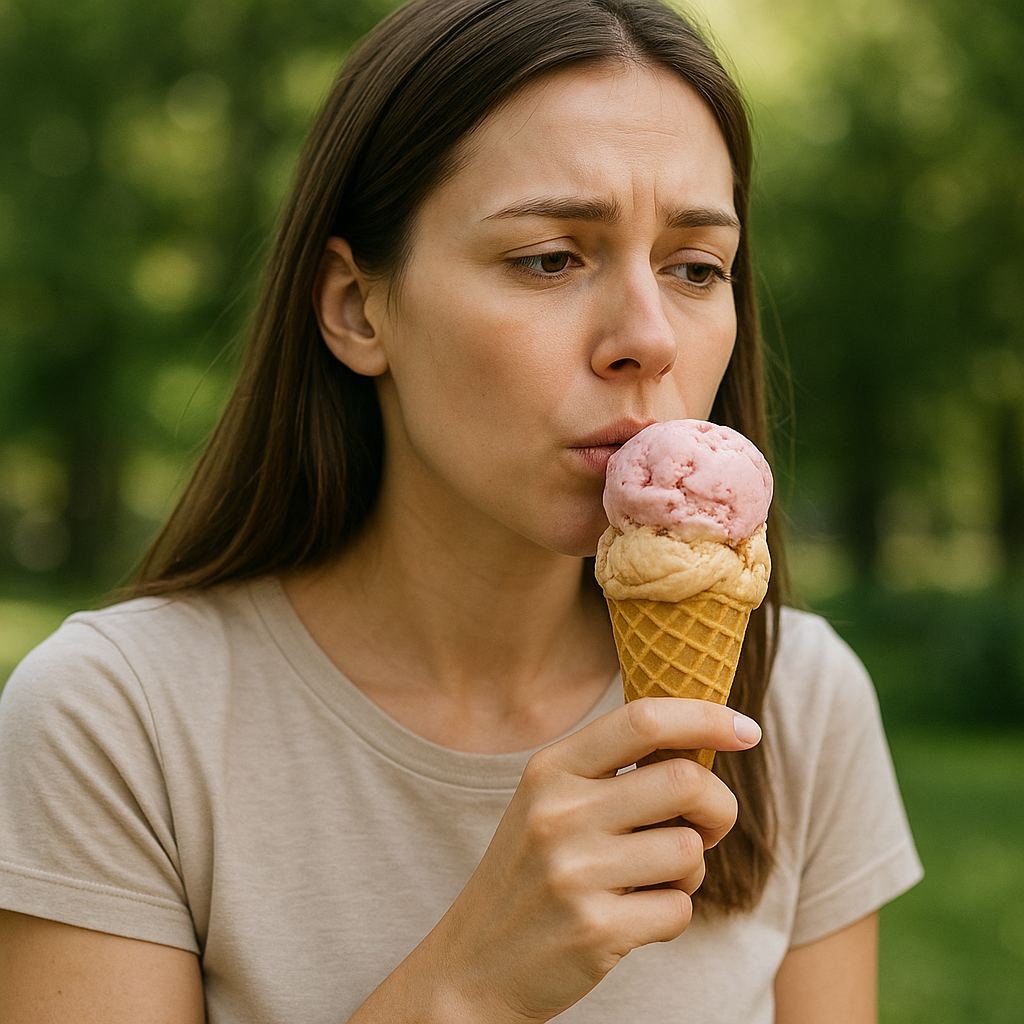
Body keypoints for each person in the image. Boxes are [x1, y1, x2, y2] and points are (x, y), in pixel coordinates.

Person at [0, 0, 922, 1020]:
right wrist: (470, 986)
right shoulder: (115, 720)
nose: (648, 338)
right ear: (357, 307)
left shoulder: (798, 702)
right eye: (549, 258)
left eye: (694, 267)